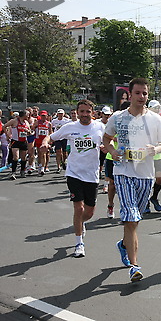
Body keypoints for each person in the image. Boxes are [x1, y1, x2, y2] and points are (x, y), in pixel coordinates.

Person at [103, 78, 161, 282]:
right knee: (130, 218)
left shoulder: (155, 120)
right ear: (129, 94)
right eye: (138, 93)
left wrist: (155, 149)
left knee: (135, 220)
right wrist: (113, 152)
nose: (142, 97)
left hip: (145, 175)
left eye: (145, 94)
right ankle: (135, 266)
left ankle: (123, 245)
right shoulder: (118, 117)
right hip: (123, 172)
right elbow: (106, 139)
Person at [41, 99, 105, 258]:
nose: (84, 115)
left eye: (87, 112)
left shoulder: (99, 127)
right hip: (74, 173)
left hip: (92, 175)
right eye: (81, 112)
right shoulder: (70, 127)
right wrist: (44, 143)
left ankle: (80, 223)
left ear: (92, 113)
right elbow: (51, 137)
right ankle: (79, 243)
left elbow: (107, 142)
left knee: (89, 212)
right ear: (77, 112)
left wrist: (107, 148)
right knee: (79, 208)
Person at [145, 99, 161, 212]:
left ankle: (154, 198)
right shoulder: (143, 119)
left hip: (158, 155)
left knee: (160, 179)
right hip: (146, 156)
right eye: (155, 108)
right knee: (148, 180)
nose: (157, 110)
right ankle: (145, 203)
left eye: (158, 108)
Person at [3, 110, 31, 179]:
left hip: (24, 141)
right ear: (24, 115)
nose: (28, 116)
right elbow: (4, 126)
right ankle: (13, 172)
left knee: (23, 158)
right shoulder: (14, 121)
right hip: (15, 141)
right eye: (27, 115)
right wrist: (7, 135)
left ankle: (22, 171)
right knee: (15, 157)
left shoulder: (26, 123)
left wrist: (28, 132)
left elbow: (29, 132)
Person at [33, 110, 52, 176]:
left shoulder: (49, 123)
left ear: (47, 116)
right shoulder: (37, 122)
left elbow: (50, 132)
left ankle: (43, 168)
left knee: (44, 154)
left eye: (44, 116)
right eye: (42, 116)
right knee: (39, 154)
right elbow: (32, 129)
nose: (43, 117)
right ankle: (40, 165)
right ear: (40, 116)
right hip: (38, 140)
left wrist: (50, 141)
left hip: (45, 141)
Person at [51, 109, 71, 173]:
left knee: (65, 153)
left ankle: (63, 161)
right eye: (59, 114)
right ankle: (58, 166)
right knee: (58, 152)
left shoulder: (66, 121)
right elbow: (52, 128)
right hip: (57, 138)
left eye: (61, 114)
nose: (60, 115)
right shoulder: (54, 121)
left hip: (64, 137)